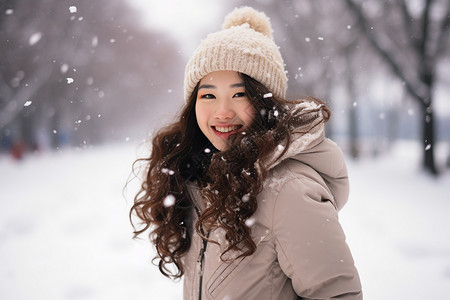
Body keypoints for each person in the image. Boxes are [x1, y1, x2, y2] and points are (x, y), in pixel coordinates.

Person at [130, 6, 362, 300]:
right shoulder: (197, 178)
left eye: (240, 94)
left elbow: (337, 294)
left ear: (266, 102)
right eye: (209, 95)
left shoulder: (288, 190)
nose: (223, 112)